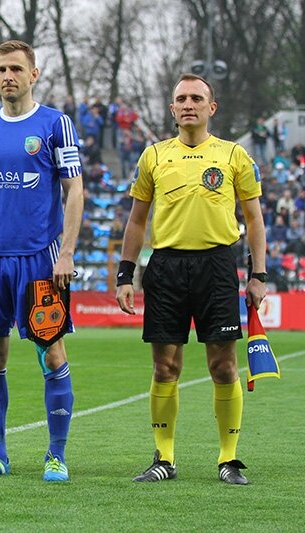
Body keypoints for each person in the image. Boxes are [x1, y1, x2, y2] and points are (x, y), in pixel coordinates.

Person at [115, 73, 267, 485]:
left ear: (211, 107)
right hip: (165, 267)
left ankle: (228, 459)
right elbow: (137, 220)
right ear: (172, 108)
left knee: (224, 365)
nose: (188, 105)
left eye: (196, 98)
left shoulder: (234, 155)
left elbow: (254, 219)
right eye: (181, 99)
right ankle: (164, 458)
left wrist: (258, 274)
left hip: (217, 266)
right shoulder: (154, 156)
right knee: (165, 366)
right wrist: (125, 273)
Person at [0, 40, 84, 482]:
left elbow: (74, 189)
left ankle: (56, 456)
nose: (7, 76)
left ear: (34, 74)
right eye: (0, 70)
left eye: (15, 68)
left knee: (52, 352)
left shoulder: (55, 124)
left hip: (40, 258)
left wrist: (67, 252)